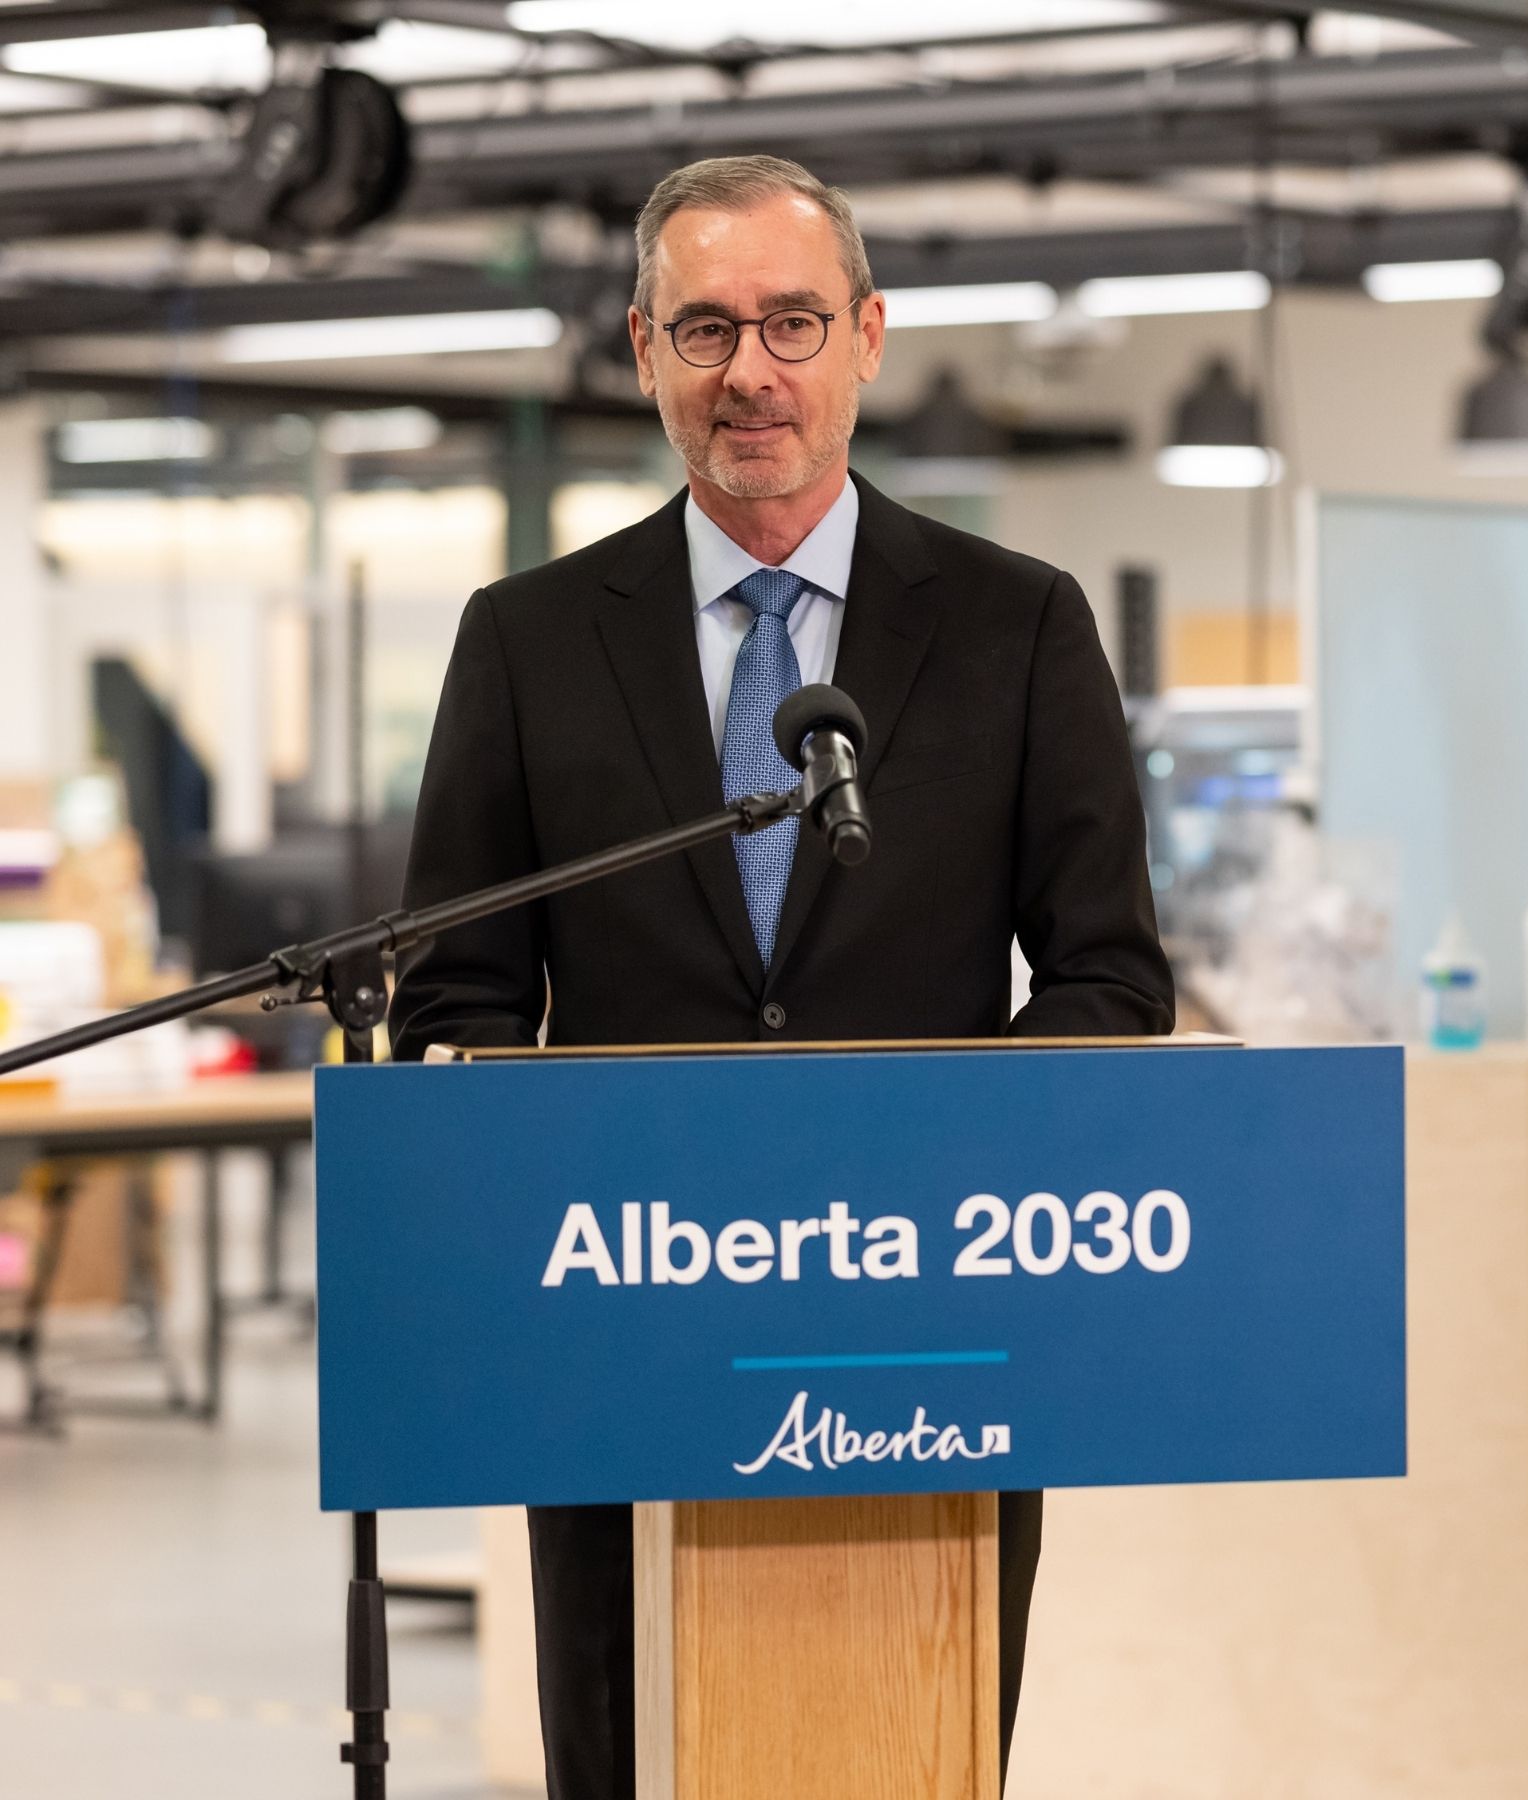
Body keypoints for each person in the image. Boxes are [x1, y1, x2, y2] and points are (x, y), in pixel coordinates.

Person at [390, 154, 1172, 1799]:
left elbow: (1107, 978)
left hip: (927, 1336)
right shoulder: (525, 640)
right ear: (642, 347)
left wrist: (929, 1174)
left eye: (794, 322)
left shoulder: (1021, 626)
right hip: (621, 1330)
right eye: (707, 328)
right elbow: (458, 996)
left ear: (868, 338)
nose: (752, 370)